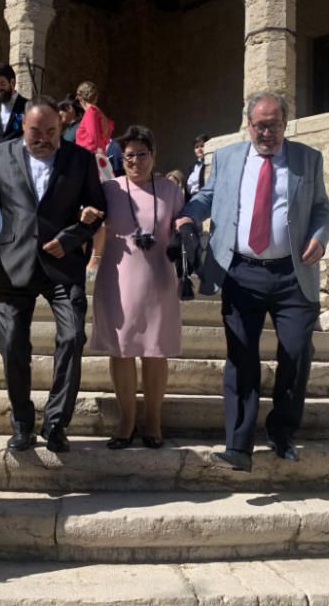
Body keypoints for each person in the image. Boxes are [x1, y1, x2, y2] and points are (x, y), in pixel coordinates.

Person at [177, 91, 329, 473]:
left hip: (291, 274)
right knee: (241, 356)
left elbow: (321, 209)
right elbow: (208, 197)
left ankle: (281, 431)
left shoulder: (308, 159)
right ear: (248, 124)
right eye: (260, 125)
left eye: (274, 125)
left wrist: (320, 236)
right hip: (241, 271)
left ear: (285, 124)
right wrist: (187, 217)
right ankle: (239, 445)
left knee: (296, 352)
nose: (267, 132)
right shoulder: (228, 157)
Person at [0, 97, 106, 454]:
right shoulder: (0, 155)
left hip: (63, 264)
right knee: (13, 344)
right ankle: (23, 423)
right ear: (22, 128)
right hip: (14, 265)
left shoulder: (81, 159)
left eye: (51, 132)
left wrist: (71, 237)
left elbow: (97, 211)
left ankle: (57, 423)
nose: (43, 138)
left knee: (73, 337)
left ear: (61, 127)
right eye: (35, 132)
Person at [87, 126, 183, 449]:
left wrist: (185, 227)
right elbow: (95, 223)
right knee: (122, 350)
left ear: (153, 156)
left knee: (155, 352)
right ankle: (127, 421)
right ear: (121, 158)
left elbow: (181, 222)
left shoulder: (170, 189)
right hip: (118, 277)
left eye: (142, 154)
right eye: (129, 155)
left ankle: (153, 420)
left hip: (158, 277)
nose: (136, 161)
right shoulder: (109, 188)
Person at [74, 80, 114, 270]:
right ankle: (91, 257)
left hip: (89, 162)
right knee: (94, 211)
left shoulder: (90, 113)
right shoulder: (101, 115)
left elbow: (90, 140)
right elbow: (104, 138)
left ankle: (92, 259)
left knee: (88, 210)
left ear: (80, 97)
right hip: (101, 161)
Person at [185, 134, 209, 200]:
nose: (199, 149)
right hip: (191, 200)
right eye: (196, 147)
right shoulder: (191, 167)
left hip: (205, 199)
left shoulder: (211, 164)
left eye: (202, 146)